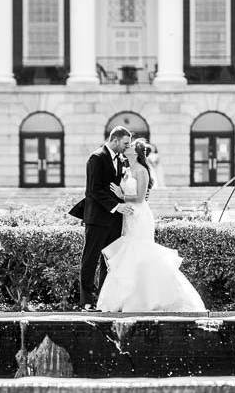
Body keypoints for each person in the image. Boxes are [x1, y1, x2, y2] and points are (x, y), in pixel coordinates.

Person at [96, 138, 206, 312]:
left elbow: (140, 198)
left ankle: (153, 298)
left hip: (140, 215)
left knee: (141, 250)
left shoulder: (141, 171)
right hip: (128, 215)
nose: (127, 147)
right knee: (129, 253)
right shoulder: (126, 170)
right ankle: (129, 298)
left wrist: (121, 195)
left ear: (136, 153)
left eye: (130, 146)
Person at [77, 126, 134, 311]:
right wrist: (117, 206)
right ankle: (86, 301)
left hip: (114, 220)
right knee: (91, 259)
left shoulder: (120, 159)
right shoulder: (96, 157)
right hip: (97, 218)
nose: (128, 147)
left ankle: (104, 299)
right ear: (115, 140)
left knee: (110, 261)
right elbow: (94, 190)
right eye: (125, 143)